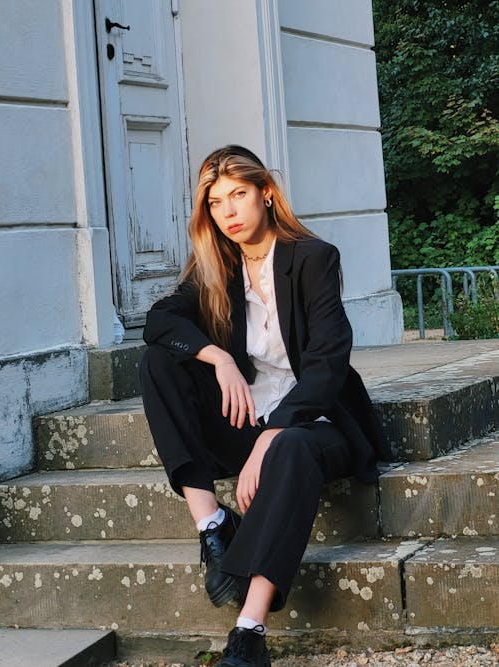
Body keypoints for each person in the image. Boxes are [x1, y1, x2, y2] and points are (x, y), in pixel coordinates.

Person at [140, 145, 391, 667]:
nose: (228, 212)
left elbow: (326, 365)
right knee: (158, 362)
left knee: (291, 447)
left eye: (238, 196)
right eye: (215, 203)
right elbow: (160, 321)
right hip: (247, 419)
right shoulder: (218, 266)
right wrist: (219, 360)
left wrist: (269, 438)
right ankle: (212, 528)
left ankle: (250, 631)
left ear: (266, 194)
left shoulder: (313, 258)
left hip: (316, 421)